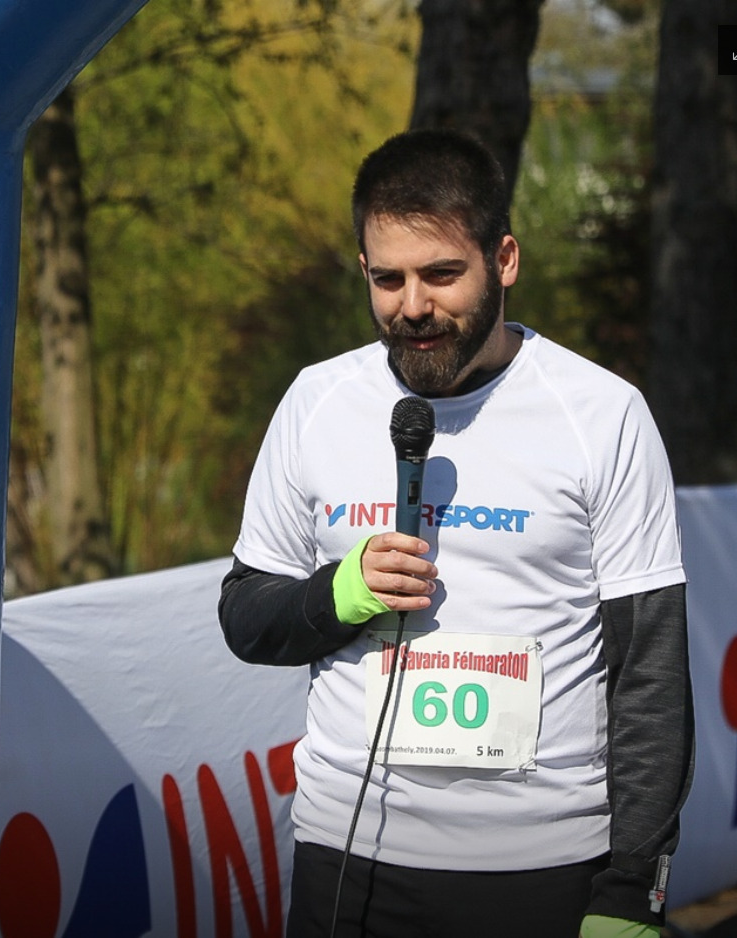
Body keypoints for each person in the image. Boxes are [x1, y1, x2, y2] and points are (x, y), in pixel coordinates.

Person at [219, 129, 691, 938]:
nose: (413, 306)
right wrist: (342, 592)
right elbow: (245, 617)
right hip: (347, 857)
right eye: (388, 279)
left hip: (545, 868)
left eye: (441, 274)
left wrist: (633, 889)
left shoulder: (602, 414)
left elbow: (649, 672)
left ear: (503, 260)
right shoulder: (315, 402)